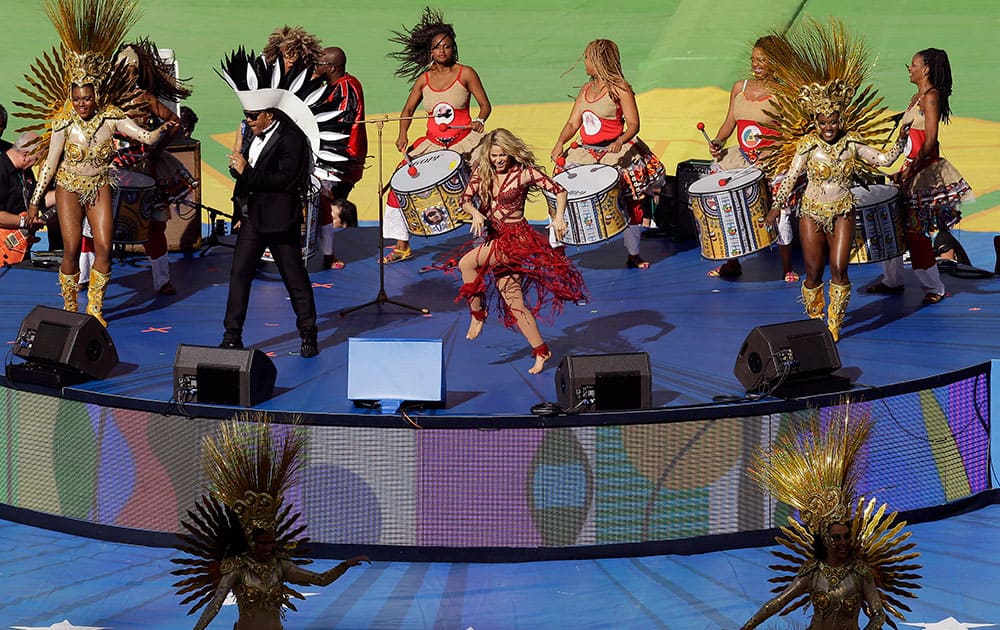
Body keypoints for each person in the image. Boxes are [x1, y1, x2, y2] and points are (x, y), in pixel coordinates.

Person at [21, 0, 177, 327]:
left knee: (105, 246)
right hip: (68, 188)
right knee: (71, 248)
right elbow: (50, 165)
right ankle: (70, 307)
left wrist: (163, 128)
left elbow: (145, 138)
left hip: (100, 185)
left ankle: (96, 308)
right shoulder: (64, 123)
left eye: (87, 98)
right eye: (76, 99)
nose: (81, 104)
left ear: (96, 95)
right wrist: (35, 203)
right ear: (71, 96)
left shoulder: (111, 118)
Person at [760, 22, 907, 342]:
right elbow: (791, 179)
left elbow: (883, 160)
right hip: (811, 211)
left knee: (839, 269)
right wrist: (775, 208)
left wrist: (901, 140)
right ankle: (815, 319)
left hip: (842, 211)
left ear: (841, 119)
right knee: (813, 272)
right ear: (815, 121)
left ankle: (834, 324)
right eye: (823, 122)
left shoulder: (852, 143)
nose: (828, 127)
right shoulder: (807, 145)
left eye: (833, 121)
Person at [172, 417, 369, 630]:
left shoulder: (281, 566)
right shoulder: (237, 569)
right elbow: (216, 604)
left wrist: (345, 565)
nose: (269, 548)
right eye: (263, 543)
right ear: (252, 542)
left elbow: (320, 580)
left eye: (270, 542)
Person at [740, 408, 921, 629]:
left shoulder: (861, 573)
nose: (844, 542)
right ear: (825, 540)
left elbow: (878, 615)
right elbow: (777, 603)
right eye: (837, 538)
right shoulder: (812, 572)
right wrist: (746, 628)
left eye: (846, 536)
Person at [218, 47, 335, 358]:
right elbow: (248, 179)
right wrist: (239, 187)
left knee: (294, 279)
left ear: (269, 113)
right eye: (246, 116)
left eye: (253, 117)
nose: (249, 121)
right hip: (253, 219)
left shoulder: (292, 139)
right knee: (239, 276)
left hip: (281, 220)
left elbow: (283, 181)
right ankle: (232, 335)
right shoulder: (251, 133)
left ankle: (308, 333)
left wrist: (246, 171)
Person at [458, 129, 586, 374]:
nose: (498, 159)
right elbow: (465, 199)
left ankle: (478, 312)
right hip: (495, 237)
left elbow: (559, 191)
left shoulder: (525, 174)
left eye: (503, 154)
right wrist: (474, 212)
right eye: (494, 155)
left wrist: (559, 218)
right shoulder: (482, 173)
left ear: (511, 152)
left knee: (466, 264)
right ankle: (541, 351)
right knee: (515, 302)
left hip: (516, 240)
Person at [382, 6, 491, 263]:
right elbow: (408, 109)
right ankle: (401, 245)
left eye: (447, 46)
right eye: (438, 47)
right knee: (399, 183)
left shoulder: (466, 73)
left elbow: (485, 105)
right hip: (432, 143)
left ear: (454, 49)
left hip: (465, 141)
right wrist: (402, 134)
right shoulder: (424, 79)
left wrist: (478, 120)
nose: (443, 51)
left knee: (481, 183)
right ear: (430, 51)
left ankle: (483, 241)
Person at [865, 48, 974, 305]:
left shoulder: (931, 97)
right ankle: (892, 280)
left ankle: (934, 287)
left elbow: (931, 140)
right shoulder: (916, 97)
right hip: (910, 169)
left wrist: (911, 170)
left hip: (922, 174)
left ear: (925, 69)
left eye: (913, 64)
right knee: (891, 225)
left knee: (916, 232)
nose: (909, 68)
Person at [550, 39, 666, 269]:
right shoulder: (585, 90)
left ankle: (633, 254)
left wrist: (620, 141)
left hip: (615, 150)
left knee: (633, 201)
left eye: (587, 58)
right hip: (586, 151)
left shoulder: (620, 88)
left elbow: (633, 124)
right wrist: (560, 142)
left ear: (599, 61)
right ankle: (558, 250)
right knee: (558, 192)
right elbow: (573, 122)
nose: (584, 62)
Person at [706, 37, 798, 281]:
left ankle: (787, 266)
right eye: (754, 59)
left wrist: (776, 152)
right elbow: (729, 123)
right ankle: (731, 262)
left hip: (772, 159)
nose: (756, 65)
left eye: (763, 60)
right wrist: (717, 142)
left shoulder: (785, 91)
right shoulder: (739, 87)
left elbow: (791, 131)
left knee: (781, 212)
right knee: (729, 208)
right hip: (739, 157)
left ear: (777, 62)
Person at [114, 39, 194, 296]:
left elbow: (174, 122)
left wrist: (157, 150)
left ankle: (162, 280)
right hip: (110, 168)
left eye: (131, 73)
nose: (127, 77)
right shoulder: (104, 99)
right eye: (122, 72)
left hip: (144, 167)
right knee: (93, 226)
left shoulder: (144, 98)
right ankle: (82, 278)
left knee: (154, 226)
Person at [313, 46, 367, 269]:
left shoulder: (345, 88)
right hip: (334, 157)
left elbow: (339, 123)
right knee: (324, 203)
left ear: (331, 67)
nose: (316, 67)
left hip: (338, 159)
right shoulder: (336, 85)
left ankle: (328, 254)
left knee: (326, 203)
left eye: (320, 63)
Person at [0, 133, 53, 231]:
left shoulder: (26, 171)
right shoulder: (2, 169)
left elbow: (38, 198)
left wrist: (63, 194)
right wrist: (23, 221)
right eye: (36, 159)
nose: (35, 164)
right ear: (25, 154)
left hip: (19, 240)